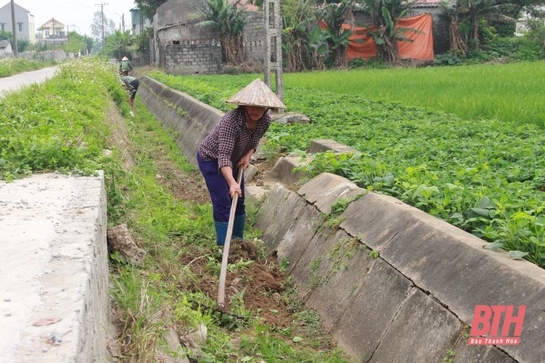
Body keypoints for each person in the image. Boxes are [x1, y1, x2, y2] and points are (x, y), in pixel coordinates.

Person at [197, 79, 286, 246]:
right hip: (211, 158)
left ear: (266, 107)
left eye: (260, 107)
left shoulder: (265, 120)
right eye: (251, 106)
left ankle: (238, 241)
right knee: (224, 200)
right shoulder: (230, 122)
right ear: (244, 105)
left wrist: (248, 155)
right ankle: (224, 245)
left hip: (235, 159)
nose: (255, 111)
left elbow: (255, 140)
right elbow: (223, 156)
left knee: (239, 198)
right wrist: (231, 182)